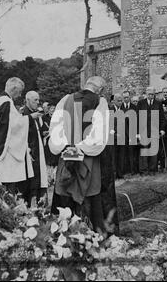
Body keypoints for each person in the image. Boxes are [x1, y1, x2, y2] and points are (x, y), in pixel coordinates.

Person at [49, 76, 119, 235]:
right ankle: (89, 236)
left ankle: (63, 235)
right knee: (89, 195)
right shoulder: (100, 102)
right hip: (88, 159)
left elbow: (55, 127)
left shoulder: (65, 99)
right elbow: (98, 135)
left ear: (85, 85)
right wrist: (80, 148)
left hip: (66, 155)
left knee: (65, 193)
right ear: (100, 90)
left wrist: (67, 147)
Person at [0, 77, 42, 192]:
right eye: (20, 91)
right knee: (7, 186)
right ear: (14, 88)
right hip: (6, 151)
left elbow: (7, 123)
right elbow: (13, 126)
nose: (20, 95)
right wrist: (30, 117)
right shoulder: (7, 102)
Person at [20, 91, 48, 206]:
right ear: (27, 100)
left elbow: (38, 131)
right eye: (35, 100)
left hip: (39, 150)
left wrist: (45, 133)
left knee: (39, 178)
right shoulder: (23, 114)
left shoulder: (37, 114)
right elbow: (21, 135)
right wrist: (26, 150)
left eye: (38, 100)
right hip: (30, 153)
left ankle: (39, 205)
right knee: (30, 181)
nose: (38, 102)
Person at [137, 86, 166, 175]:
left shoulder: (158, 104)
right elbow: (137, 118)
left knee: (154, 150)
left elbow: (162, 118)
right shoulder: (141, 103)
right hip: (143, 131)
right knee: (144, 150)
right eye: (149, 94)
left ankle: (153, 170)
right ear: (146, 94)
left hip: (155, 130)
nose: (151, 96)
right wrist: (137, 132)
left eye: (152, 94)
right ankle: (144, 170)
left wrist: (162, 129)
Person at [121, 90, 139, 175]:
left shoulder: (134, 107)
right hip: (123, 133)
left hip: (132, 133)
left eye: (127, 97)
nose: (126, 99)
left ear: (130, 97)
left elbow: (137, 121)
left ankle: (133, 170)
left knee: (132, 153)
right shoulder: (120, 107)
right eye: (124, 98)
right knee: (124, 153)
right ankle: (125, 170)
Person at [110, 93, 124, 179]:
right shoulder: (110, 110)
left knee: (121, 156)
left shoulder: (123, 111)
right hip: (113, 138)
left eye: (121, 101)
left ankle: (120, 174)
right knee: (113, 157)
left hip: (121, 137)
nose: (120, 102)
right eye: (118, 101)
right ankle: (114, 174)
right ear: (114, 101)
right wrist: (115, 134)